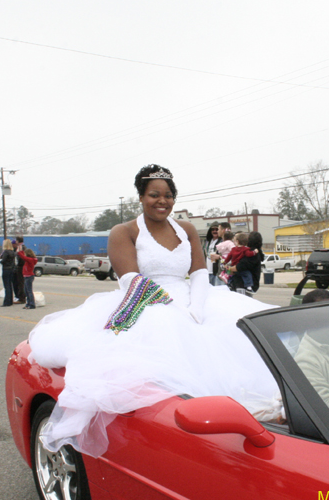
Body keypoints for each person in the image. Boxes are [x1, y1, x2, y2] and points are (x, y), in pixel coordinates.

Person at [28, 164, 281, 457]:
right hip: (145, 300)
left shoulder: (186, 229)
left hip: (193, 297)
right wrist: (174, 311)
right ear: (140, 196)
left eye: (169, 195)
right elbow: (130, 280)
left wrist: (197, 306)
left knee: (242, 336)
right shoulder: (124, 231)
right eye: (154, 195)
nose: (162, 201)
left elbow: (199, 272)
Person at [17, 245, 38, 309]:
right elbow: (24, 257)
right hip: (26, 276)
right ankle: (28, 303)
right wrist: (21, 250)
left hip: (29, 276)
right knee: (26, 291)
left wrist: (19, 252)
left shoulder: (30, 260)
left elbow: (23, 257)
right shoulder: (29, 260)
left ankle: (32, 304)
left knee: (29, 291)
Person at [0, 239, 17, 307]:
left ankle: (7, 301)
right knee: (10, 285)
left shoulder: (6, 252)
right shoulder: (12, 252)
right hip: (11, 269)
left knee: (6, 286)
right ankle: (10, 300)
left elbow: (3, 260)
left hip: (6, 269)